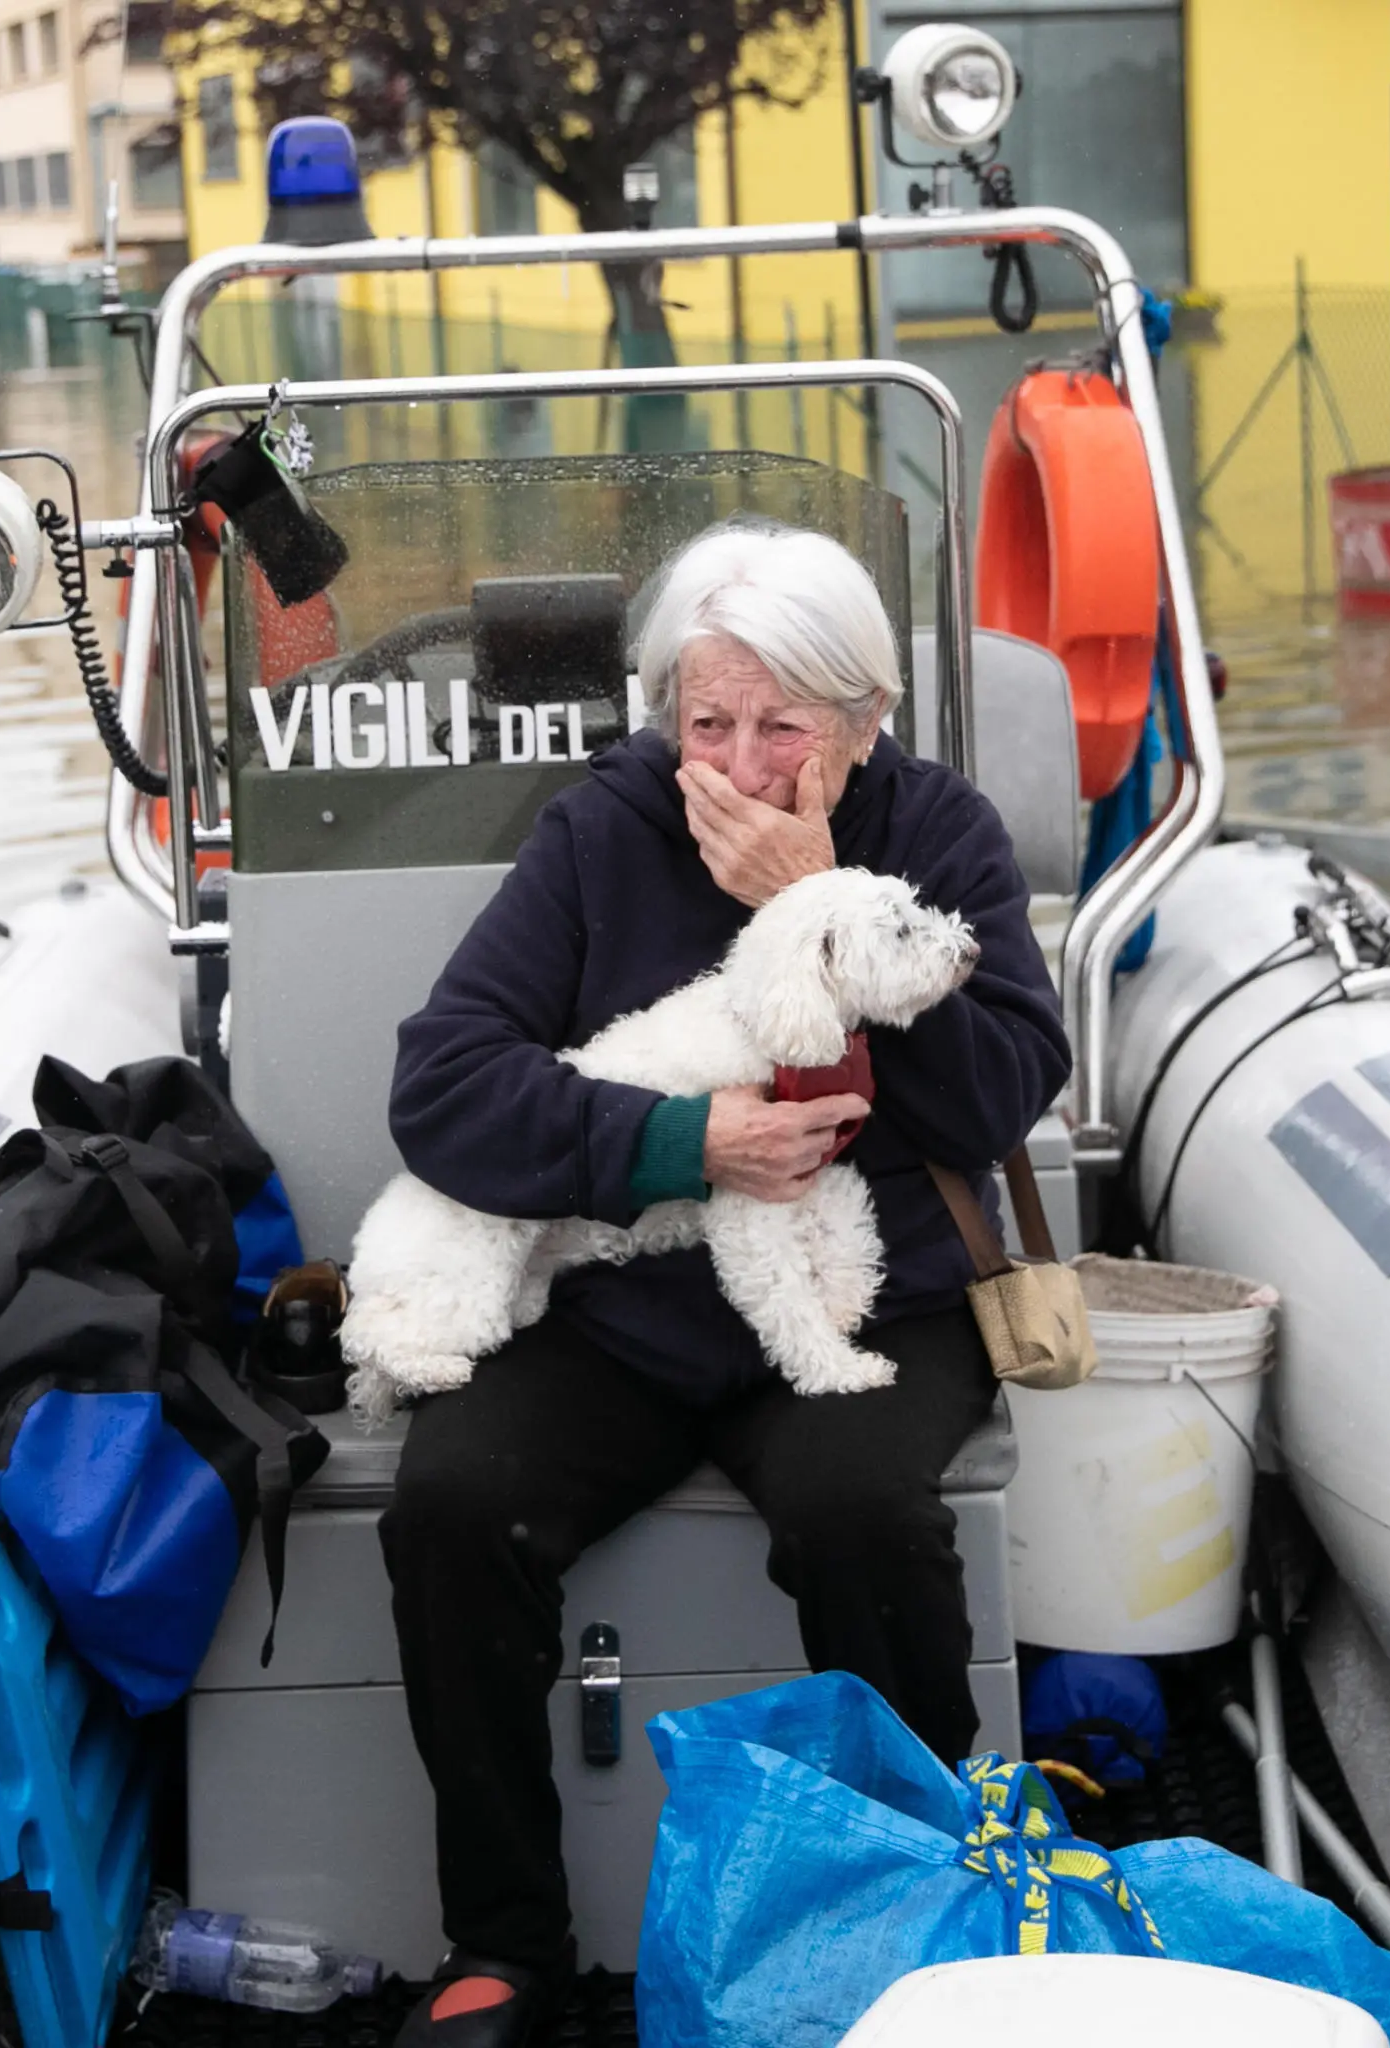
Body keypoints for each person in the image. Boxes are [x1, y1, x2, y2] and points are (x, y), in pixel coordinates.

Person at [376, 517, 1072, 2046]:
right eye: (707, 722)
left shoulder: (937, 831)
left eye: (783, 728)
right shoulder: (603, 827)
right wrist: (678, 1140)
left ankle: (926, 1924)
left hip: (860, 1296)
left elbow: (996, 1098)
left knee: (865, 1518)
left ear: (866, 724)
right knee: (450, 1509)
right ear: (664, 714)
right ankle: (505, 1942)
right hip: (627, 1308)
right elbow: (443, 1092)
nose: (739, 766)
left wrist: (814, 893)